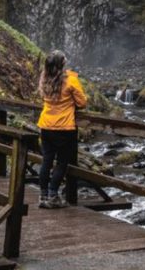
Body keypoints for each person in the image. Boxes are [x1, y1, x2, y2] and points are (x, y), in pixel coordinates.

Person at [36, 50, 87, 209]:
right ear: (62, 64)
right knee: (62, 163)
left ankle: (43, 196)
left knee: (46, 161)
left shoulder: (44, 79)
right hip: (64, 127)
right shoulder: (71, 81)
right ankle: (53, 196)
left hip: (46, 125)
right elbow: (82, 103)